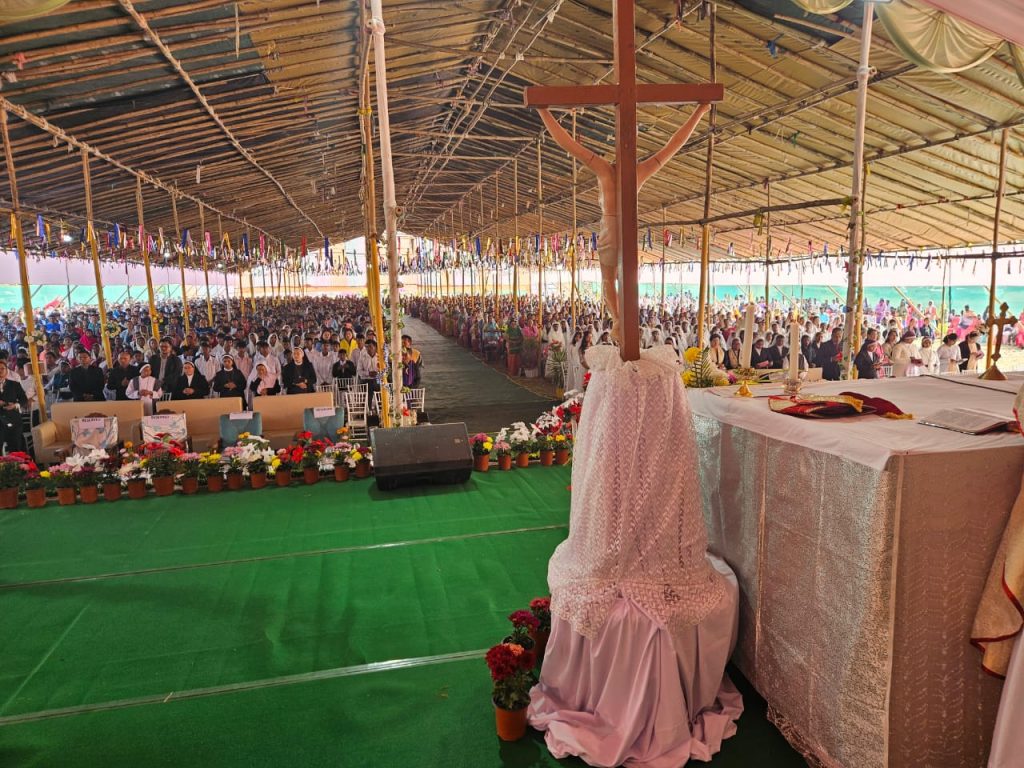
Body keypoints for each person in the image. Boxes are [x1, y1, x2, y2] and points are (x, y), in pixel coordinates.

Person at [0, 360, 27, 452]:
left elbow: (23, 399)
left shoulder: (14, 384)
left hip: (13, 418)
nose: (0, 371)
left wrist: (16, 405)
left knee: (15, 446)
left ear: (6, 370)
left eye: (2, 369)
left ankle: (16, 460)